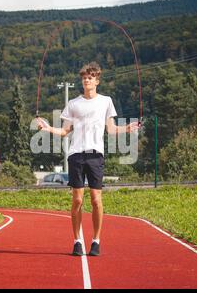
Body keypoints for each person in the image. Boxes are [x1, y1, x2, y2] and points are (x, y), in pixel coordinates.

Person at [36, 62, 139, 256]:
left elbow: (111, 129)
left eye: (90, 77)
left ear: (97, 81)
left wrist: (127, 128)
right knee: (77, 200)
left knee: (96, 200)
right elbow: (65, 131)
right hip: (76, 155)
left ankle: (96, 241)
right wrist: (48, 128)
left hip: (96, 155)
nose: (86, 80)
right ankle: (77, 241)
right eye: (84, 77)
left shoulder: (106, 101)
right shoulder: (73, 104)